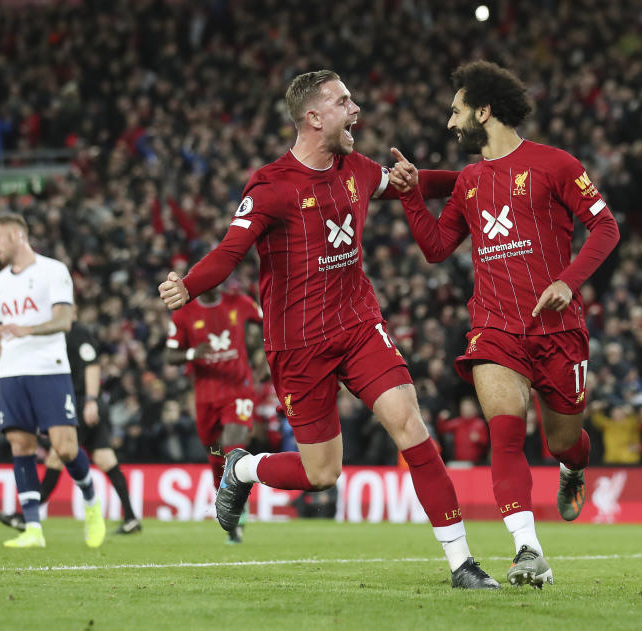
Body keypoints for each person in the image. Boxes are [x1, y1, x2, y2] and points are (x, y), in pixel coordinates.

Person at [159, 70, 498, 589]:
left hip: (358, 324)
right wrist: (188, 284)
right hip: (298, 345)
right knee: (321, 474)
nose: (356, 109)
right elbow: (231, 250)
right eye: (344, 102)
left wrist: (481, 176)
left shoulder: (357, 169)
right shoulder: (271, 186)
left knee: (410, 424)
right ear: (314, 118)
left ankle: (462, 564)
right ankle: (242, 470)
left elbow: (412, 182)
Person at [390, 60, 619, 587]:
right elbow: (435, 248)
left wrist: (569, 280)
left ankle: (573, 466)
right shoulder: (469, 182)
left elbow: (605, 227)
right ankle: (528, 550)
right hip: (494, 328)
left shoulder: (555, 164)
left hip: (558, 331)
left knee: (564, 441)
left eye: (456, 111)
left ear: (484, 110)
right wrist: (408, 196)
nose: (451, 124)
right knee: (506, 433)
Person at [0, 213, 105, 548]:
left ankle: (92, 502)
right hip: (11, 374)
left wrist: (29, 329)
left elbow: (64, 319)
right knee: (20, 446)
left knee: (65, 447)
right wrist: (0, 376)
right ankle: (33, 529)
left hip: (49, 369)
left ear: (15, 235)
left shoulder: (53, 271)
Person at [0, 318, 142, 535]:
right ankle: (131, 518)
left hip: (79, 403)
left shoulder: (78, 333)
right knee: (105, 458)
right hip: (77, 402)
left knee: (56, 456)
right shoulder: (53, 336)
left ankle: (27, 517)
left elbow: (92, 365)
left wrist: (91, 400)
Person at [165, 284, 265, 543]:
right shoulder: (183, 314)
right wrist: (191, 353)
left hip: (238, 388)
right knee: (215, 456)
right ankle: (227, 508)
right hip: (206, 395)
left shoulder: (240, 303)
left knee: (234, 446)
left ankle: (239, 508)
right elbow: (169, 354)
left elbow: (270, 321)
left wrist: (266, 357)